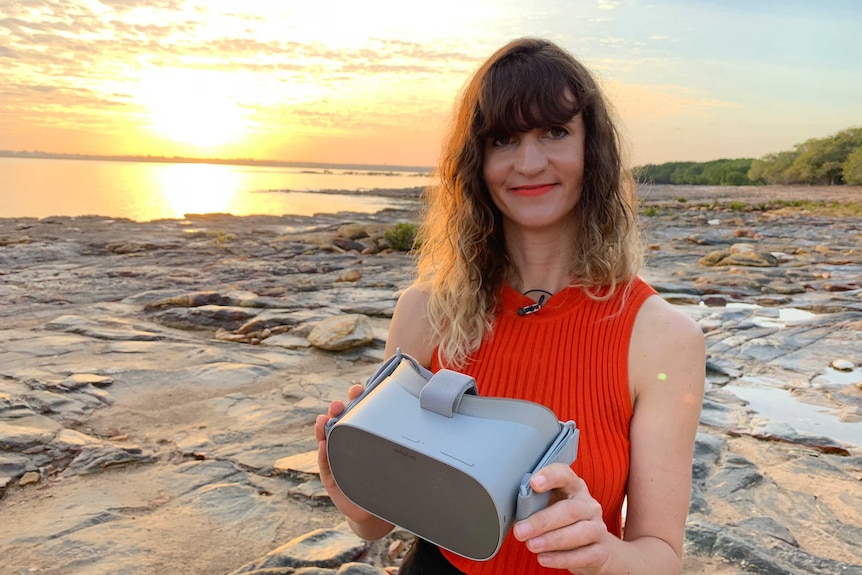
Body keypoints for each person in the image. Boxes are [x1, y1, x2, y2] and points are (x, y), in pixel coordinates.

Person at [314, 37, 705, 575]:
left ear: (593, 149)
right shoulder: (424, 310)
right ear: (477, 160)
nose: (529, 162)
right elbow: (378, 521)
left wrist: (602, 552)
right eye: (503, 139)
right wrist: (353, 495)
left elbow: (660, 557)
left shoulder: (662, 337)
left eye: (555, 131)